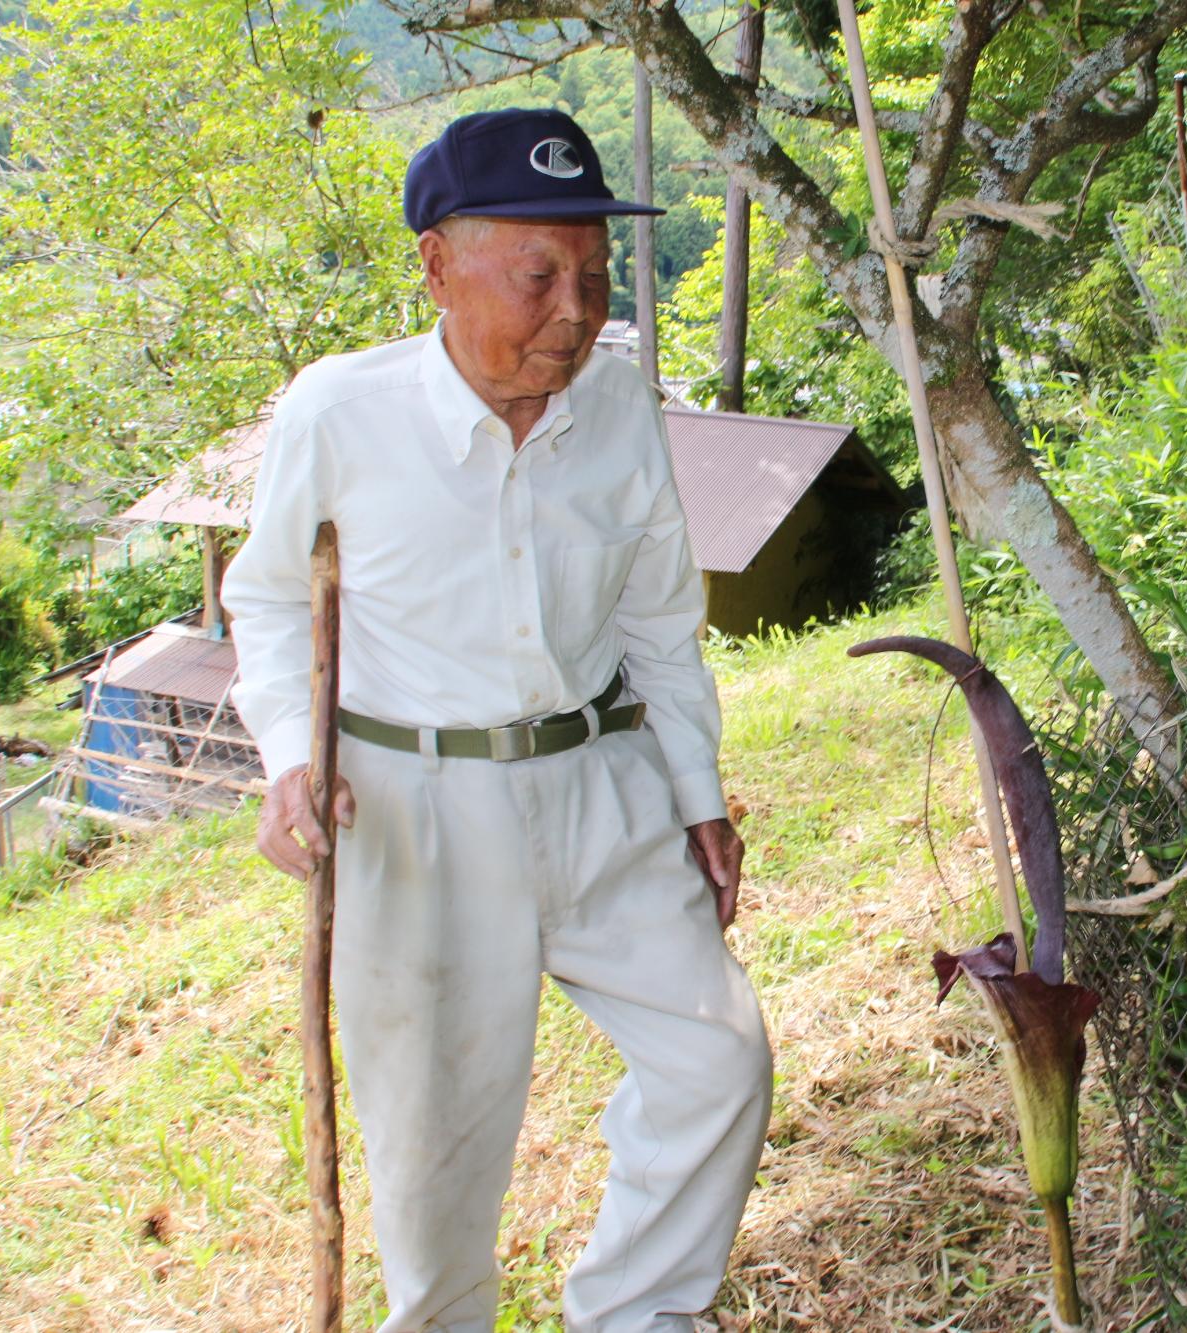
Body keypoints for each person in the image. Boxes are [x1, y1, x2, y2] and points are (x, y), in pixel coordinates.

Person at [223, 108, 773, 1333]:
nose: (573, 309)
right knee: (434, 1164)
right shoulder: (338, 414)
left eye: (592, 273)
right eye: (537, 274)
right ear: (437, 262)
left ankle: (635, 1315)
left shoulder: (619, 404)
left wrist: (698, 798)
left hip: (599, 785)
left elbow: (657, 624)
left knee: (716, 1059)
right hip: (416, 819)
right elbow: (262, 598)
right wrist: (293, 762)